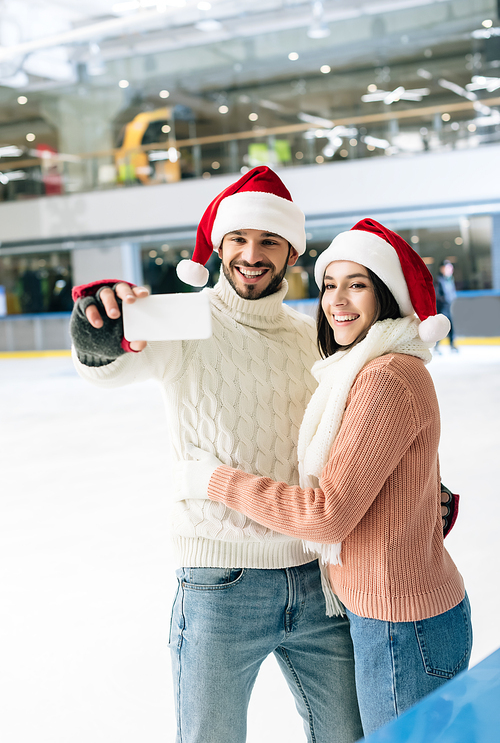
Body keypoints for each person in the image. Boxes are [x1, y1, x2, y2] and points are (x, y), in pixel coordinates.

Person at [69, 166, 364, 743]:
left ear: (291, 254)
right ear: (219, 247)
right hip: (220, 585)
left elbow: (345, 437)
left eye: (269, 241)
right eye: (239, 239)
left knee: (347, 736)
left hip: (319, 580)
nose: (252, 254)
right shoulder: (183, 321)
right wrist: (96, 324)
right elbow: (105, 368)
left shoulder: (311, 336)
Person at [177, 218, 472, 739]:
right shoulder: (359, 368)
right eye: (329, 284)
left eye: (357, 284)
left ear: (387, 295)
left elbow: (327, 514)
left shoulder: (383, 377)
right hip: (390, 612)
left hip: (401, 625)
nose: (337, 299)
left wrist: (213, 480)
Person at [435, 259, 458, 353]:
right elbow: (437, 295)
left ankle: (452, 345)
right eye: (448, 268)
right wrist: (444, 300)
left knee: (451, 327)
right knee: (442, 328)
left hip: (449, 307)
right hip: (442, 308)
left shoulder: (449, 280)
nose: (450, 270)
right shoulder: (439, 280)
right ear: (442, 269)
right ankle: (436, 346)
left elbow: (452, 293)